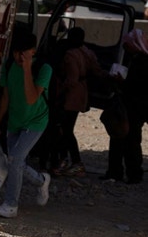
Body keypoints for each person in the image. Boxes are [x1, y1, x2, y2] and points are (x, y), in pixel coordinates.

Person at [0, 29, 53, 218]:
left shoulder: (43, 68)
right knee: (14, 162)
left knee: (15, 160)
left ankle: (11, 205)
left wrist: (27, 69)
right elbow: (6, 98)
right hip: (15, 120)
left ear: (32, 51)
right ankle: (41, 181)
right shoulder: (9, 65)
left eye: (23, 53)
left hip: (36, 121)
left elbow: (32, 98)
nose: (18, 56)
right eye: (16, 52)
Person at [50, 27, 104, 177]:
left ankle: (74, 162)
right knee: (68, 128)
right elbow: (97, 71)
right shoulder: (86, 52)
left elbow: (71, 80)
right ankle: (67, 161)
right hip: (81, 93)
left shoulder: (70, 55)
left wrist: (59, 92)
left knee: (65, 129)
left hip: (70, 96)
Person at [104, 29, 148, 184]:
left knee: (131, 141)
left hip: (135, 109)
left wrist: (122, 82)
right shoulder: (135, 59)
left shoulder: (142, 62)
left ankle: (134, 174)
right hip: (128, 107)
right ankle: (115, 172)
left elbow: (137, 87)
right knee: (119, 139)